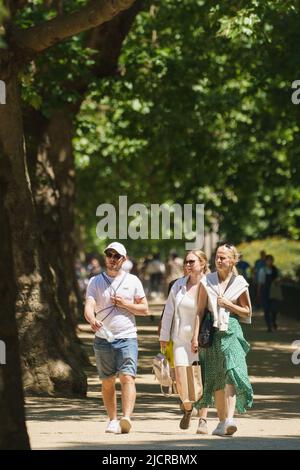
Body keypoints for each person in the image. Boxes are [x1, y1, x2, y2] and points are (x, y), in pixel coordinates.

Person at [84, 242, 148, 434]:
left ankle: (126, 418)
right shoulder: (95, 281)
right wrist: (91, 319)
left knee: (127, 377)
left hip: (127, 336)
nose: (112, 259)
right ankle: (112, 419)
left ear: (123, 259)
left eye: (116, 256)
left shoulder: (133, 281)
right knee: (107, 381)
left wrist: (126, 304)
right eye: (109, 255)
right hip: (103, 338)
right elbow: (89, 305)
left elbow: (144, 309)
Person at [192, 243, 253, 436]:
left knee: (233, 371)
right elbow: (199, 311)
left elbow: (247, 311)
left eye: (223, 257)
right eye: (217, 257)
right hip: (212, 333)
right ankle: (221, 422)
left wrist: (229, 305)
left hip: (233, 330)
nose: (219, 260)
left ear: (232, 260)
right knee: (216, 378)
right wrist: (194, 338)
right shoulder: (206, 281)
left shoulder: (240, 282)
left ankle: (230, 419)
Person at [159, 250, 209, 433]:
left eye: (192, 262)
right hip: (180, 339)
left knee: (201, 381)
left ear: (202, 263)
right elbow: (169, 312)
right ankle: (188, 408)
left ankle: (203, 419)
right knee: (180, 380)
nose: (187, 265)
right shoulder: (178, 285)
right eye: (186, 262)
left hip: (203, 340)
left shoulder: (210, 284)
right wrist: (164, 337)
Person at [258, 254, 279, 332]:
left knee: (274, 310)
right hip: (265, 291)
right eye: (268, 260)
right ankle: (269, 326)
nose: (269, 262)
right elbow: (260, 283)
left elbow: (279, 280)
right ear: (265, 261)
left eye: (271, 260)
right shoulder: (262, 270)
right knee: (266, 310)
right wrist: (259, 292)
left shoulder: (275, 270)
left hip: (273, 292)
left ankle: (273, 322)